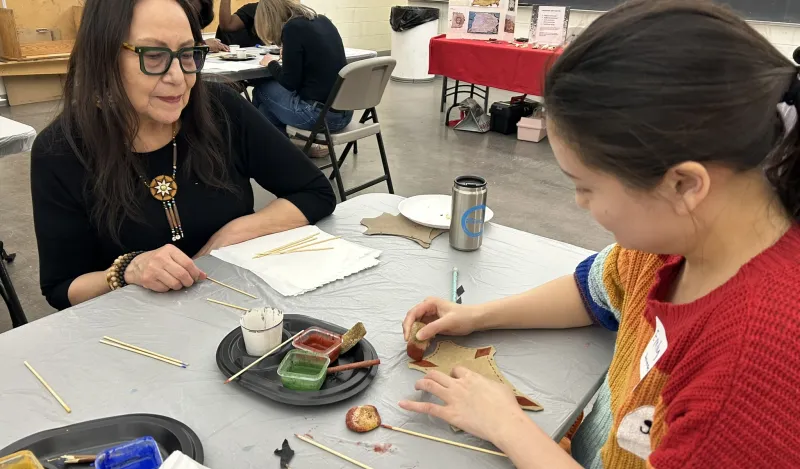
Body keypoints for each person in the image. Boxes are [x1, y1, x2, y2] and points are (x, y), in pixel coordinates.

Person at [401, 1, 800, 468]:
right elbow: (596, 290)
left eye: (586, 186)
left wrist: (507, 426)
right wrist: (476, 316)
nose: (579, 204)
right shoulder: (676, 242)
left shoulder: (756, 363)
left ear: (683, 184)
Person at [31, 0, 336, 311]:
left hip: (234, 309)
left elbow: (314, 192)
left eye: (188, 54)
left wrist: (233, 233)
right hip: (133, 328)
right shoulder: (61, 150)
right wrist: (127, 271)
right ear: (103, 57)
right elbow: (62, 287)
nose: (178, 77)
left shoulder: (220, 110)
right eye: (153, 56)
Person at [251, 0, 352, 157]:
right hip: (344, 113)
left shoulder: (292, 28)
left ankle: (261, 149)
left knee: (261, 90)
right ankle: (282, 151)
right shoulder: (323, 21)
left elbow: (290, 83)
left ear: (269, 19)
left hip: (320, 118)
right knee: (266, 109)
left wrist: (270, 63)